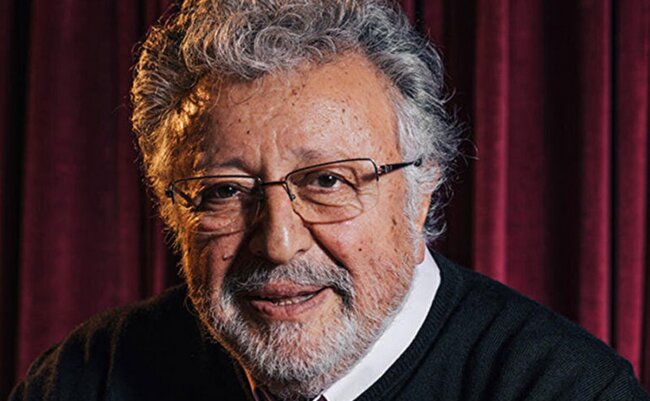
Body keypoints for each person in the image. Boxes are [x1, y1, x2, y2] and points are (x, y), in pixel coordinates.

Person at [10, 0, 649, 400]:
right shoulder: (84, 379)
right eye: (225, 191)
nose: (278, 242)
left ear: (421, 194)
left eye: (328, 182)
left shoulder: (563, 389)